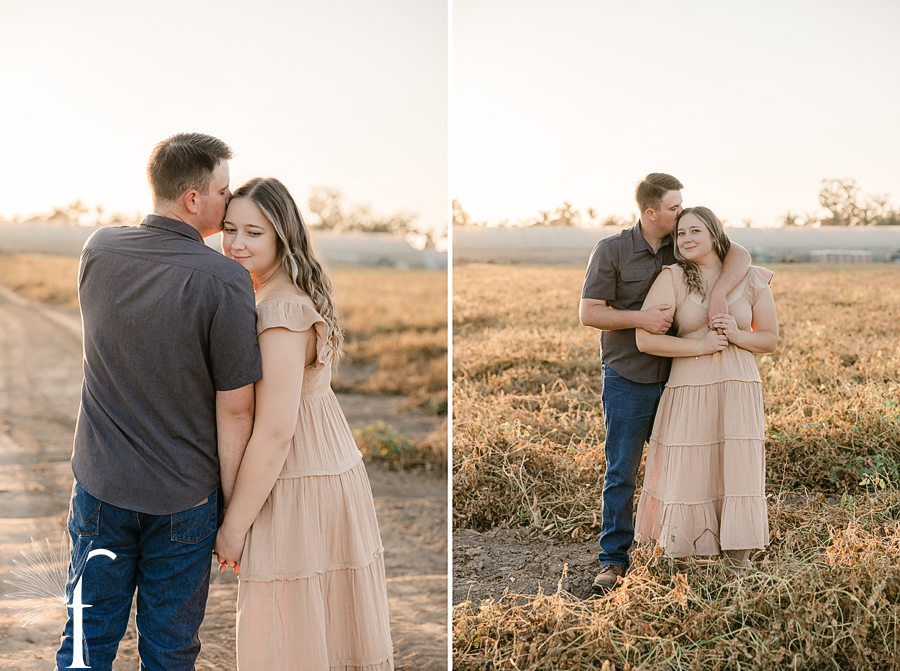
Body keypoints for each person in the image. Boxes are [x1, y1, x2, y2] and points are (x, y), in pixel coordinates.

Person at [57, 133, 261, 670]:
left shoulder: (98, 248)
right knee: (169, 650)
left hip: (100, 486)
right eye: (223, 189)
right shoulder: (226, 280)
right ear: (193, 199)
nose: (230, 198)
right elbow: (236, 408)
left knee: (86, 639)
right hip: (184, 499)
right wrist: (233, 512)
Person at [212, 177, 394, 671]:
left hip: (295, 476)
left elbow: (274, 431)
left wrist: (232, 527)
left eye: (254, 233)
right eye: (230, 229)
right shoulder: (274, 295)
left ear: (281, 238)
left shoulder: (278, 310)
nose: (236, 244)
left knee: (287, 629)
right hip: (322, 465)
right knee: (316, 623)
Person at [579, 173, 751, 595]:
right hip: (630, 375)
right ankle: (614, 560)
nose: (681, 213)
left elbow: (739, 253)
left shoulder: (685, 242)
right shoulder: (612, 249)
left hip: (683, 378)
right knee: (622, 469)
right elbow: (588, 312)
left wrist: (719, 294)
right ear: (651, 212)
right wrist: (639, 318)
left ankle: (680, 544)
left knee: (687, 463)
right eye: (674, 208)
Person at [633, 206, 776, 567]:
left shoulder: (752, 278)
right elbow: (646, 341)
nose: (686, 239)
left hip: (738, 384)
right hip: (690, 384)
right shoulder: (674, 277)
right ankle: (685, 554)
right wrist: (700, 346)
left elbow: (770, 340)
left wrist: (738, 334)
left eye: (695, 231)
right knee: (690, 466)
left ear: (714, 234)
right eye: (680, 234)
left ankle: (737, 559)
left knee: (736, 467)